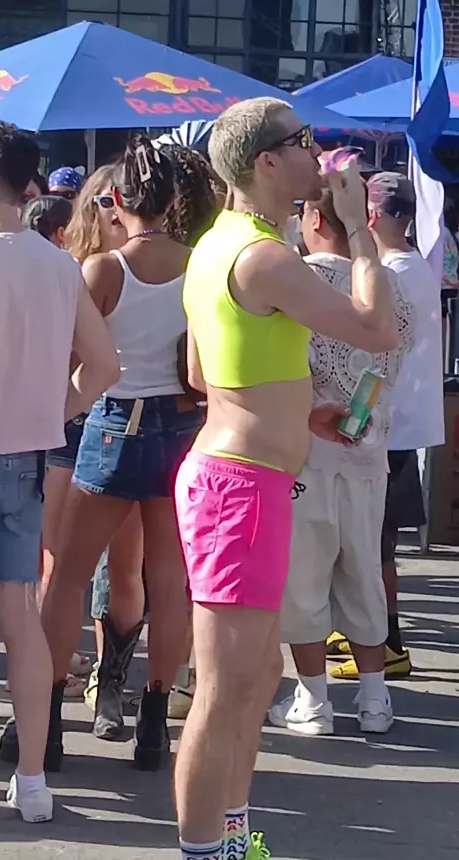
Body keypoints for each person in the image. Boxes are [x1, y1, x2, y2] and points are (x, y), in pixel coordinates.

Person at [173, 97, 398, 860]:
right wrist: (359, 227)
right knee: (224, 688)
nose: (316, 152)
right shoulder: (265, 256)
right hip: (239, 487)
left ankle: (233, 840)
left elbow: (204, 371)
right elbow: (378, 328)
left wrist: (300, 413)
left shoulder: (221, 243)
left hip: (244, 480)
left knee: (255, 675)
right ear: (267, 162)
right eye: (303, 141)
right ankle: (207, 850)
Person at [0, 133, 207, 772]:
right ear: (173, 200)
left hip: (117, 422)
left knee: (68, 573)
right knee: (168, 580)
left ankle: (46, 723)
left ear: (117, 201)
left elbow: (73, 354)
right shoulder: (199, 264)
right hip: (182, 424)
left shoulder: (105, 270)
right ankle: (154, 722)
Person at [0, 120, 119, 821]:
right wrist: (51, 412)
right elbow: (106, 366)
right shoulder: (60, 265)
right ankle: (32, 780)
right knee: (20, 618)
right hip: (25, 459)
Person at [268, 158, 414, 738]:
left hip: (309, 448)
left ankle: (314, 697)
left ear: (314, 219)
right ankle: (375, 697)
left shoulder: (299, 280)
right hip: (371, 448)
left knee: (304, 575)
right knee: (363, 571)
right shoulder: (389, 284)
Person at [330, 172, 444, 680]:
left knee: (372, 545)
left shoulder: (390, 275)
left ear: (371, 216)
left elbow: (374, 358)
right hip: (401, 424)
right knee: (376, 542)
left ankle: (387, 641)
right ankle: (371, 632)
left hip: (386, 426)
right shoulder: (415, 266)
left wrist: (353, 418)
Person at [41, 165, 128, 698]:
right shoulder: (71, 270)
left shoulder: (138, 268)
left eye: (122, 200)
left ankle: (99, 682)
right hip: (77, 428)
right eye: (107, 202)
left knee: (115, 567)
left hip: (117, 426)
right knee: (61, 560)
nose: (116, 212)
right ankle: (53, 678)